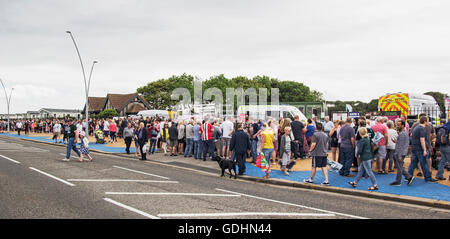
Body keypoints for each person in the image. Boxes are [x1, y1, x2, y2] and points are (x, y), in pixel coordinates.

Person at [408, 116, 438, 183]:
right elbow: (422, 139)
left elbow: (412, 135)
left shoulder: (416, 128)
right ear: (425, 121)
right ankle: (428, 177)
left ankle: (408, 176)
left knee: (413, 163)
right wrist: (424, 149)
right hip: (420, 149)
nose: (428, 122)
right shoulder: (422, 129)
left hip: (415, 147)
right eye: (427, 121)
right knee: (424, 163)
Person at [390, 120, 414, 186]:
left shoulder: (402, 134)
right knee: (399, 167)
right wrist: (396, 141)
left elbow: (401, 146)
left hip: (400, 153)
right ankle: (407, 177)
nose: (397, 126)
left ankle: (400, 180)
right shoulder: (404, 133)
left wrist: (400, 155)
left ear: (402, 125)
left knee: (399, 167)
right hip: (400, 152)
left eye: (398, 125)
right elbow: (402, 144)